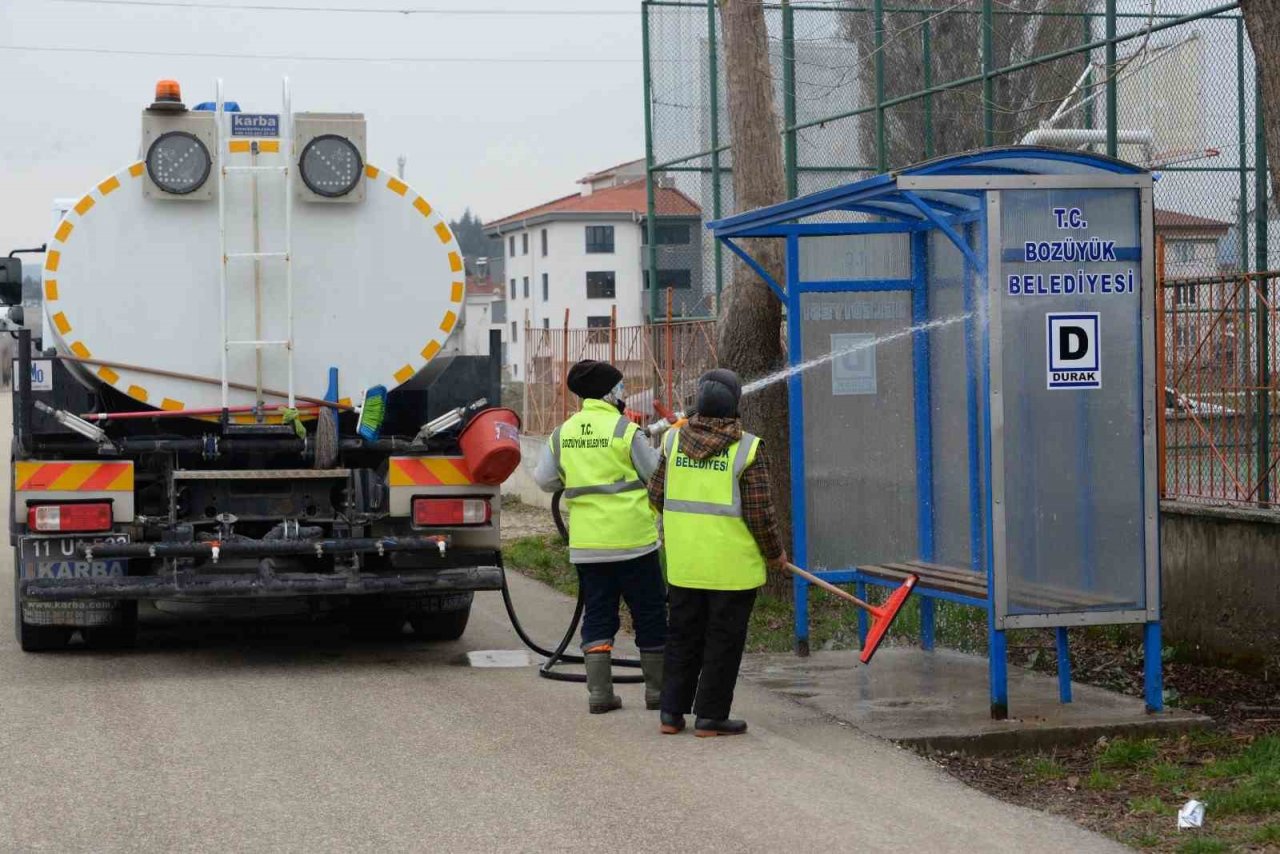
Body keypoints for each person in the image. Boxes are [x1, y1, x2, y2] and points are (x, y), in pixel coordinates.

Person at [648, 368, 786, 737]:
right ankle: (710, 716)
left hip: (685, 564)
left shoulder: (673, 442)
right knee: (723, 641)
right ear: (734, 405)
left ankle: (670, 714)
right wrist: (775, 554)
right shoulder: (747, 449)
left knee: (682, 637)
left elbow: (656, 495)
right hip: (732, 569)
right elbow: (760, 513)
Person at [534, 359, 667, 715]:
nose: (624, 392)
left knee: (597, 615)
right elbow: (654, 474)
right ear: (609, 393)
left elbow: (544, 480)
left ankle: (600, 695)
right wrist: (661, 446)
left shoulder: (563, 433)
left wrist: (574, 477)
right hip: (633, 542)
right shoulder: (625, 430)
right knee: (650, 613)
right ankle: (657, 693)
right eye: (620, 387)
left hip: (589, 546)